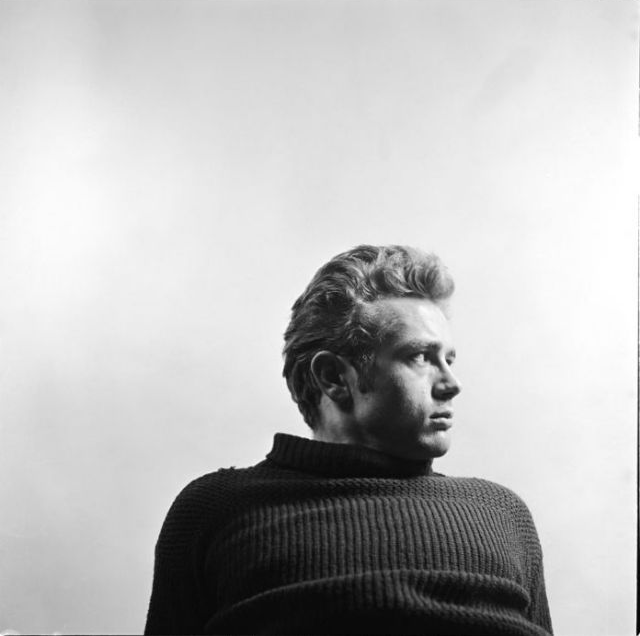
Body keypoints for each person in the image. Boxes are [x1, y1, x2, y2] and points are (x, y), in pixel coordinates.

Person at [144, 244, 553, 635]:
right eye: (420, 357)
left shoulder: (502, 513)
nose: (452, 383)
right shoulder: (217, 510)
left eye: (448, 359)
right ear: (334, 378)